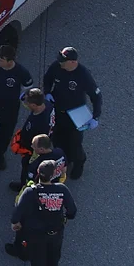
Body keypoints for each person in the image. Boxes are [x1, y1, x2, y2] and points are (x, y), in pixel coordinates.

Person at [11, 160, 77, 266]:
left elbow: (17, 214)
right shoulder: (62, 189)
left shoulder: (30, 192)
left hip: (36, 234)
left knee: (38, 263)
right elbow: (72, 211)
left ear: (38, 174)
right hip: (56, 232)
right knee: (54, 256)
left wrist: (16, 224)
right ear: (53, 174)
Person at [42, 47, 102, 179]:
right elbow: (48, 78)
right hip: (58, 110)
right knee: (56, 138)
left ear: (73, 62)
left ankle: (79, 162)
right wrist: (47, 92)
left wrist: (95, 116)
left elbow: (96, 96)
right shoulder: (57, 66)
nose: (60, 63)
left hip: (76, 114)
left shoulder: (83, 75)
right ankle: (65, 159)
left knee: (74, 143)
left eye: (64, 61)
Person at [5, 139, 68, 259]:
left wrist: (16, 220)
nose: (32, 148)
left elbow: (29, 183)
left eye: (34, 147)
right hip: (52, 195)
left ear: (42, 149)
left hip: (36, 200)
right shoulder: (60, 153)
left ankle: (21, 251)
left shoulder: (36, 165)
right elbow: (64, 170)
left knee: (25, 227)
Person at [9, 88, 55, 173]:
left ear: (34, 105)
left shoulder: (41, 123)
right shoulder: (46, 104)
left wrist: (33, 155)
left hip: (32, 150)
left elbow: (39, 143)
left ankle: (23, 183)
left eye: (27, 102)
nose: (26, 104)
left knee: (27, 168)